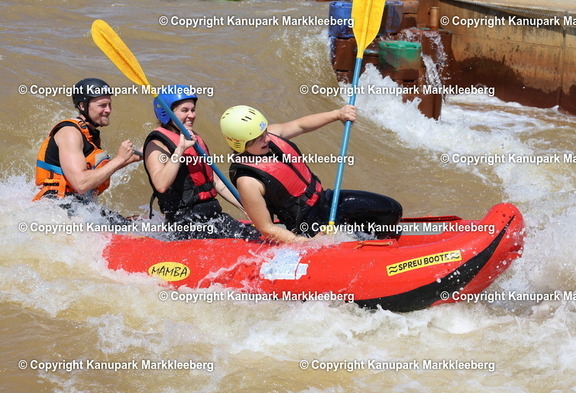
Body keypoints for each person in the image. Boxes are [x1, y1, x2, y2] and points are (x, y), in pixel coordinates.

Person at [221, 104, 403, 244]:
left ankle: (364, 243)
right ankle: (358, 252)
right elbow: (266, 228)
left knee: (391, 211)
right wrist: (306, 242)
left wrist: (337, 114)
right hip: (307, 225)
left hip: (325, 200)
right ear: (242, 144)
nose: (267, 138)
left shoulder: (269, 137)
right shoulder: (247, 181)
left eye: (265, 132)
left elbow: (300, 125)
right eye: (259, 138)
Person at [143, 85, 260, 240]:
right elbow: (161, 184)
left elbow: (216, 181)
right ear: (167, 113)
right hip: (185, 224)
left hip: (213, 217)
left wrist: (245, 206)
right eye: (185, 110)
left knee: (256, 236)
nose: (191, 115)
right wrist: (180, 150)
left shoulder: (193, 138)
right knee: (251, 240)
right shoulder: (157, 144)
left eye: (193, 110)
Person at [34, 78, 141, 223]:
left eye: (109, 104)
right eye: (102, 105)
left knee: (135, 224)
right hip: (56, 209)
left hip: (77, 207)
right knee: (131, 229)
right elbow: (81, 184)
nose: (108, 110)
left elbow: (96, 172)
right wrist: (119, 159)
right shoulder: (70, 133)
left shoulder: (89, 134)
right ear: (82, 105)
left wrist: (134, 157)